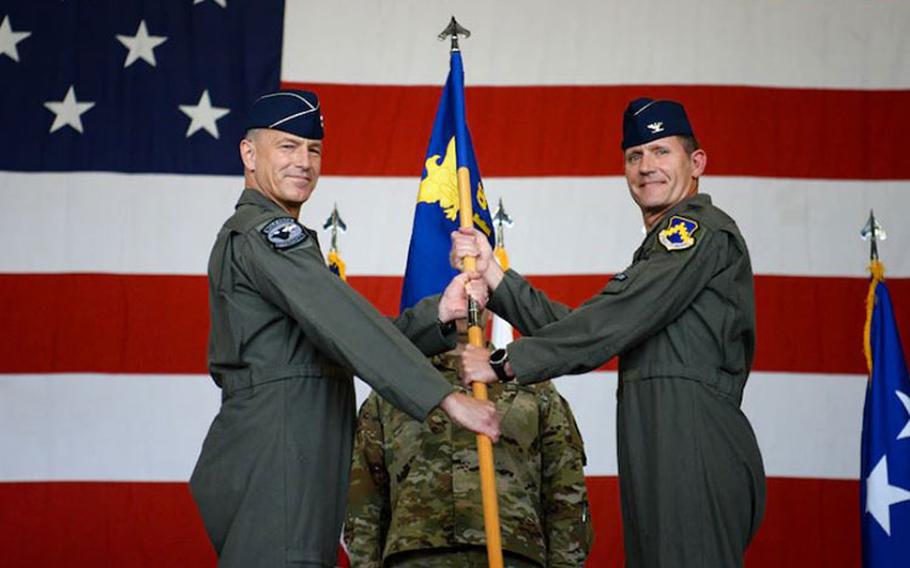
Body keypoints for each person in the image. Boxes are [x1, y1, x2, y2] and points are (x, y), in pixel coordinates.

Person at [189, 90, 500, 568]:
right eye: (287, 146)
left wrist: (440, 313)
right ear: (249, 154)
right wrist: (445, 397)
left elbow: (339, 334)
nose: (304, 161)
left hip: (297, 447)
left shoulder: (280, 240)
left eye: (313, 149)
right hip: (278, 449)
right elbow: (345, 324)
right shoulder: (264, 234)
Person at [453, 98, 766, 567]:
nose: (647, 167)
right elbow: (593, 325)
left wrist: (504, 363)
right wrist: (498, 280)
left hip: (693, 443)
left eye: (662, 151)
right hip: (661, 443)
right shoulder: (660, 255)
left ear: (696, 162)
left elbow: (608, 322)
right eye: (635, 156)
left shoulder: (698, 232)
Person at [344, 316, 593, 568]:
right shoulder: (398, 386)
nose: (466, 303)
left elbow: (564, 489)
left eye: (476, 288)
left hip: (514, 553)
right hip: (417, 554)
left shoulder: (532, 383)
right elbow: (363, 496)